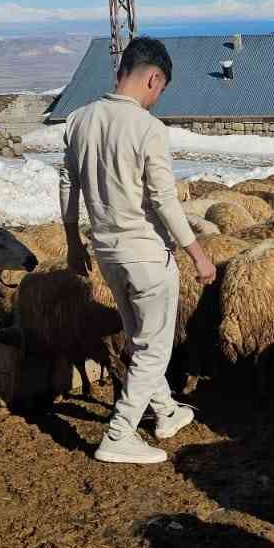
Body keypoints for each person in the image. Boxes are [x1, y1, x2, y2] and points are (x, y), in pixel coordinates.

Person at [59, 36, 218, 464]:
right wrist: (198, 255)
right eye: (160, 90)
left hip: (108, 253)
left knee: (139, 340)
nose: (156, 99)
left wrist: (75, 243)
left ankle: (166, 412)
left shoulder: (78, 121)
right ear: (153, 78)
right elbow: (164, 200)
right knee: (154, 349)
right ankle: (119, 434)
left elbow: (67, 185)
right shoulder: (148, 129)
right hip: (146, 255)